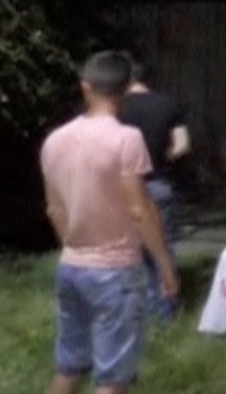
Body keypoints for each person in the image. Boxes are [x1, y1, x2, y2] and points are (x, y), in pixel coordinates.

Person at [39, 51, 179, 394]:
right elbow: (139, 209)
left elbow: (54, 209)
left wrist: (74, 245)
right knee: (113, 378)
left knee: (69, 365)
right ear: (126, 89)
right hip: (116, 271)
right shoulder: (126, 139)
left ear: (85, 86)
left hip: (71, 266)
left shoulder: (54, 140)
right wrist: (164, 266)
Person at [117, 53, 190, 321]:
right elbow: (182, 145)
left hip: (121, 187)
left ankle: (130, 310)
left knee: (124, 250)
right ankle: (164, 312)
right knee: (162, 246)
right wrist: (159, 158)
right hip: (158, 182)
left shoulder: (115, 107)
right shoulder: (169, 104)